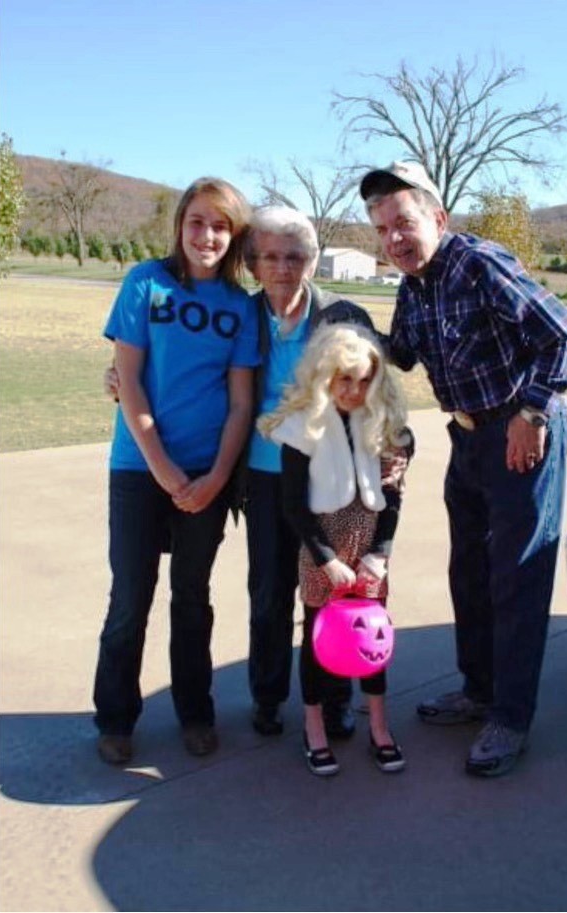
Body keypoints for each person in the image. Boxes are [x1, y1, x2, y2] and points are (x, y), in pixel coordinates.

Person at [359, 161, 567, 777]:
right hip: (465, 438)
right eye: (382, 230)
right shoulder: (413, 288)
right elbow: (401, 354)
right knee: (469, 572)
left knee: (516, 579)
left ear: (437, 217)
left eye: (403, 222)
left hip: (520, 432)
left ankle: (510, 718)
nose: (394, 239)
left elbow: (565, 336)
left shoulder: (479, 263)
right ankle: (479, 690)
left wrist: (533, 412)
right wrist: (346, 326)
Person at [94, 176, 260, 765]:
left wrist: (215, 477)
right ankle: (115, 719)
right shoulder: (146, 283)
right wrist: (162, 468)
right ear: (180, 225)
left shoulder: (241, 308)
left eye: (220, 226)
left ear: (234, 236)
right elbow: (128, 380)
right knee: (129, 598)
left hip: (207, 474)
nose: (207, 235)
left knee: (192, 597)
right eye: (197, 222)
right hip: (139, 469)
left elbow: (241, 403)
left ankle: (195, 713)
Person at [242, 206, 377, 739]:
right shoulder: (242, 314)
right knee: (269, 592)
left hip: (328, 478)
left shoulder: (341, 315)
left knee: (329, 593)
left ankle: (334, 698)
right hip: (263, 474)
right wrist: (118, 375)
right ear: (253, 263)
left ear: (313, 260)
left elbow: (376, 382)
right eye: (270, 256)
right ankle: (268, 696)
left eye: (295, 256)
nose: (283, 267)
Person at [259, 322, 414, 776]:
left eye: (364, 381)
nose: (354, 390)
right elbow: (292, 504)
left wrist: (379, 553)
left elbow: (393, 496)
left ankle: (379, 727)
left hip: (369, 548)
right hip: (321, 547)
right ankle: (314, 728)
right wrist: (325, 558)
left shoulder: (380, 424)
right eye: (345, 379)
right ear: (325, 374)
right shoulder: (301, 427)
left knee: (373, 636)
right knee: (317, 637)